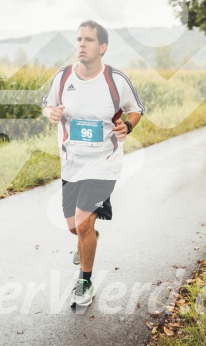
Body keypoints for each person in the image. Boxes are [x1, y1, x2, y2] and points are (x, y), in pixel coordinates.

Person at [42, 20, 144, 307]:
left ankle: (84, 282)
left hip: (104, 163)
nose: (81, 45)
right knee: (74, 226)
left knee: (84, 224)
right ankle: (90, 236)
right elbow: (46, 104)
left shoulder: (116, 80)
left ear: (102, 47)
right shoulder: (63, 78)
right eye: (78, 39)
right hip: (71, 162)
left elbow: (136, 109)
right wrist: (51, 112)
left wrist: (128, 125)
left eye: (88, 40)